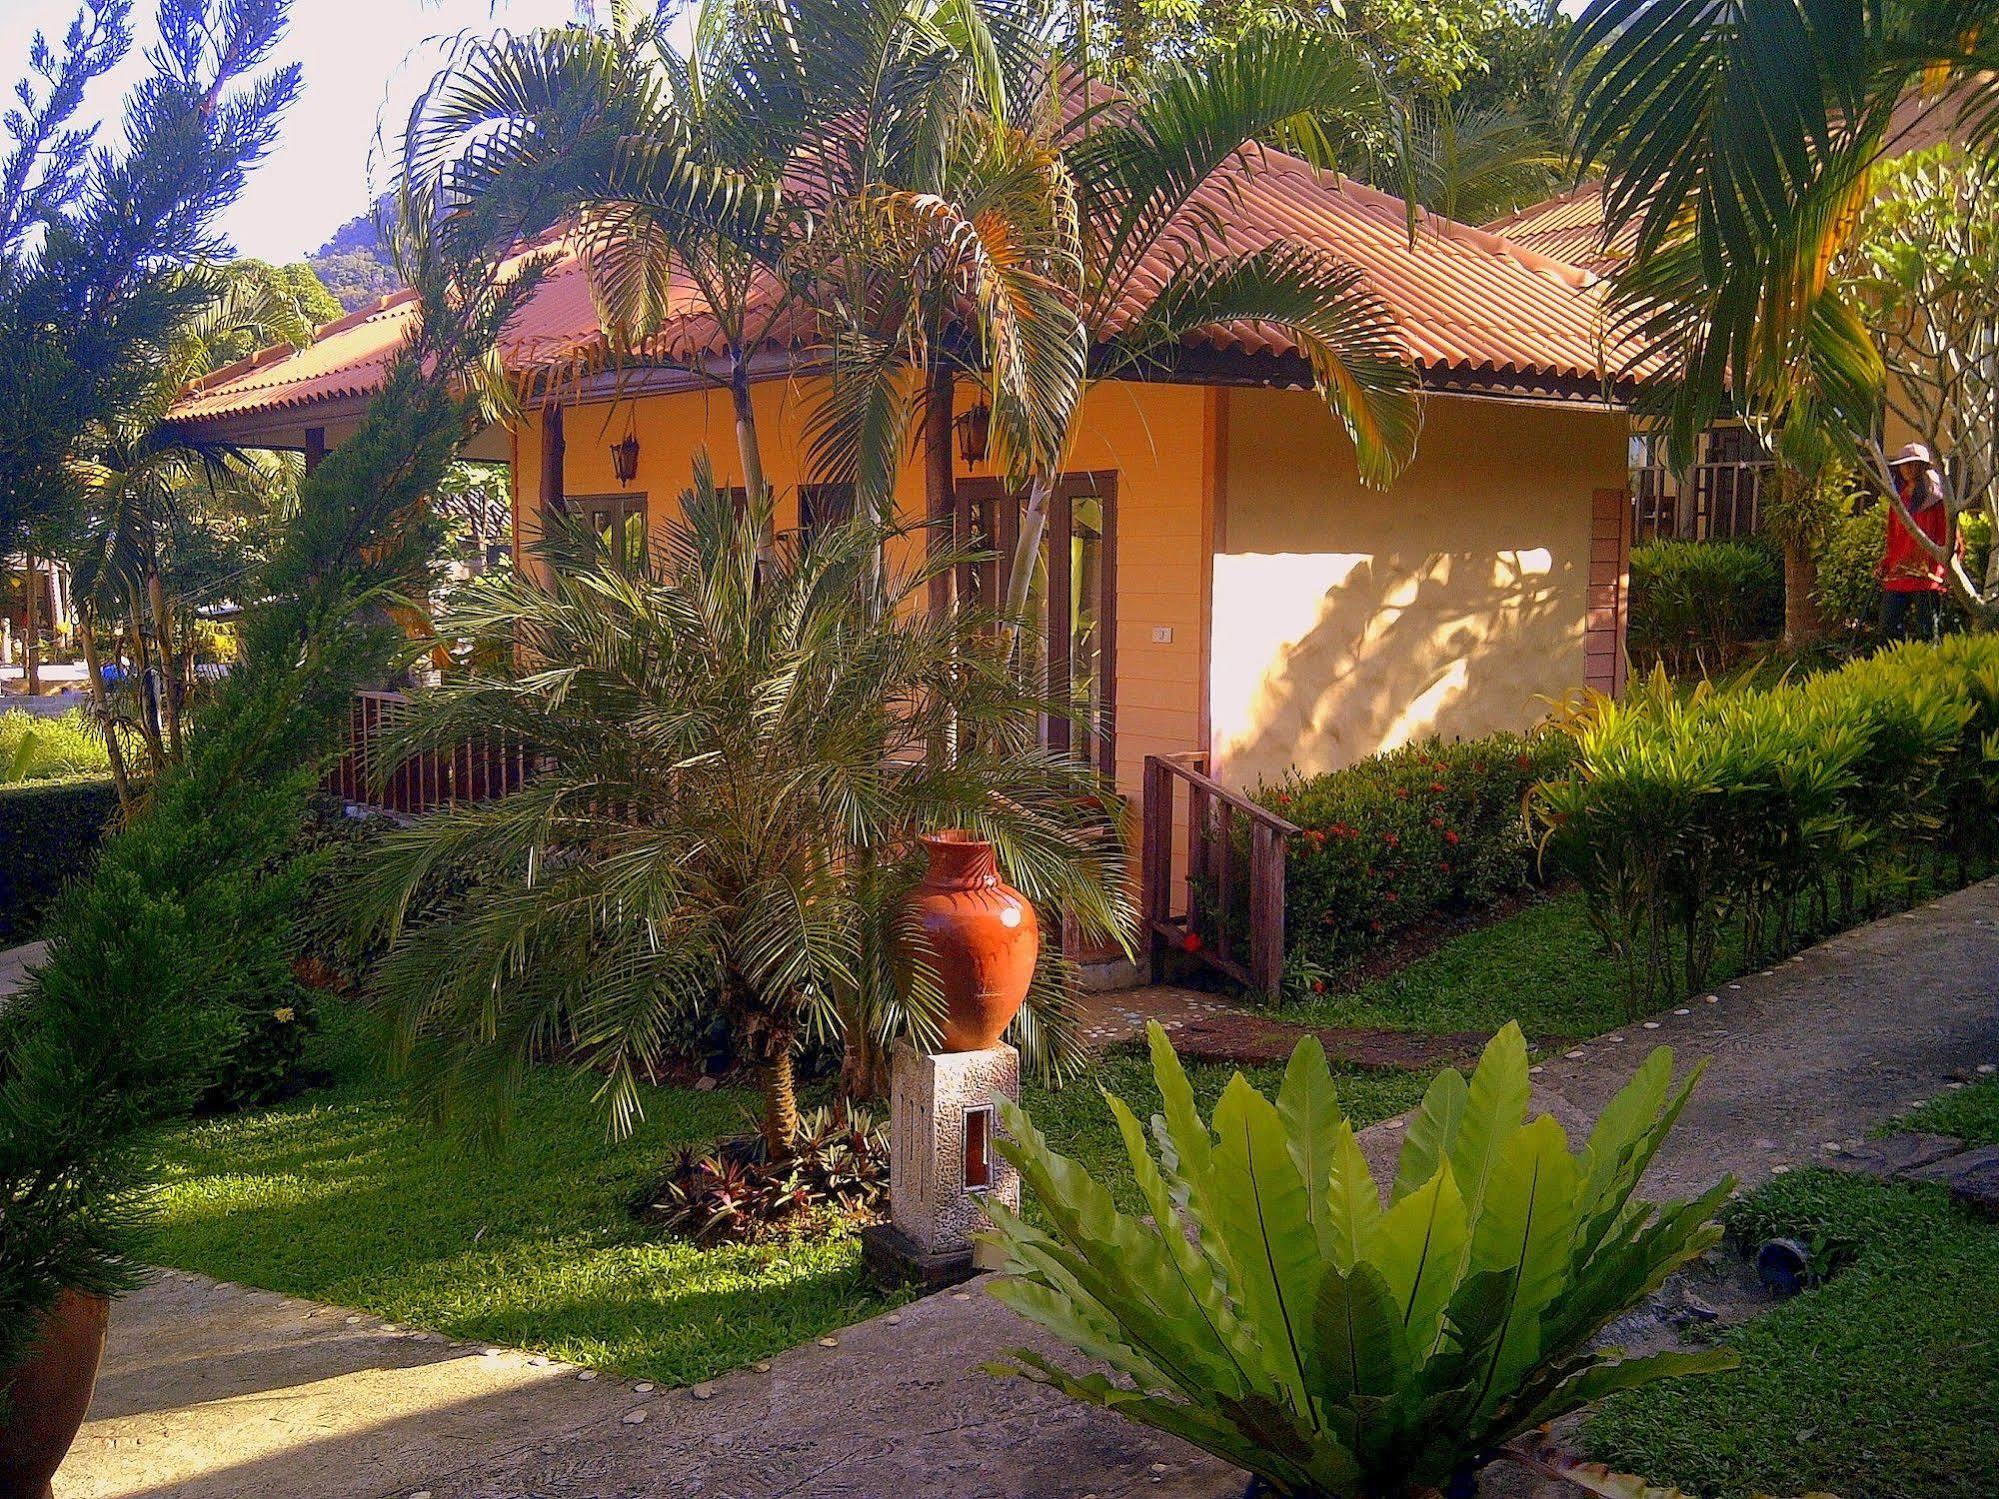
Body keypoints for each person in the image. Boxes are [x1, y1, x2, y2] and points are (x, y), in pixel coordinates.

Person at [1879, 442, 1953, 642]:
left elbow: (1950, 538)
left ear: (1923, 466)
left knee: (1928, 632)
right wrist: (1886, 564)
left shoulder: (1937, 500)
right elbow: (1893, 538)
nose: (1909, 469)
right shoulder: (1898, 501)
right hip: (1899, 573)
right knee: (1887, 625)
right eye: (1905, 464)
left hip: (1927, 575)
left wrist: (1948, 570)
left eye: (1914, 464)